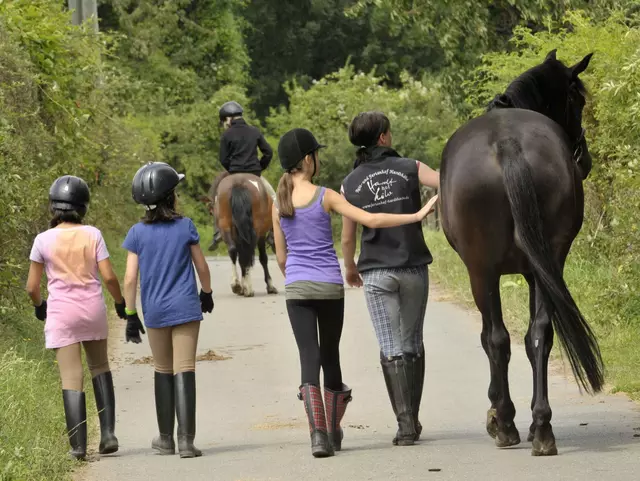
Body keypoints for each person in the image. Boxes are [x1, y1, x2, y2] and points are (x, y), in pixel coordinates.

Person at [272, 128, 438, 458]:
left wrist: (295, 279)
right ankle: (333, 430)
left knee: (309, 357)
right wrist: (417, 215)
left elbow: (280, 256)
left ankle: (318, 436)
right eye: (315, 155)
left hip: (297, 287)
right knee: (330, 355)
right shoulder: (326, 195)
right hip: (330, 287)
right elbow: (371, 219)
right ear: (309, 160)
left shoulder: (278, 202)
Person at [340, 111, 440, 447]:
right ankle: (413, 416)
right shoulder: (410, 167)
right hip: (413, 265)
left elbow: (348, 235)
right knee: (413, 341)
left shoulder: (350, 182)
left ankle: (405, 426)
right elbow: (445, 180)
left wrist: (350, 267)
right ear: (384, 137)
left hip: (376, 269)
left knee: (390, 344)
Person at [26, 175, 128, 461]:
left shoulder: (42, 240)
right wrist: (120, 303)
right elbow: (108, 276)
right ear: (83, 206)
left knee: (71, 377)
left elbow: (32, 287)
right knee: (100, 368)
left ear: (53, 207)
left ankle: (78, 447)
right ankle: (108, 435)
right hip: (92, 311)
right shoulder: (93, 234)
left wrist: (39, 305)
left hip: (62, 314)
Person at [122, 162, 214, 459]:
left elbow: (129, 278)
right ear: (170, 197)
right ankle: (186, 441)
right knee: (185, 369)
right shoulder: (185, 226)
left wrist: (130, 314)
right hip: (186, 307)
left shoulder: (136, 232)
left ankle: (165, 439)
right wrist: (207, 293)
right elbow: (201, 266)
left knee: (163, 369)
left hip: (156, 311)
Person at [209, 100, 277, 251]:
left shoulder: (227, 134)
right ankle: (273, 234)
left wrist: (232, 171)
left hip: (233, 173)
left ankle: (218, 232)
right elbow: (268, 152)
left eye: (224, 121)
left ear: (228, 118)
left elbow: (223, 159)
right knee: (275, 200)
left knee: (216, 201)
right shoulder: (254, 131)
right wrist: (259, 168)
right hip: (254, 174)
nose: (225, 124)